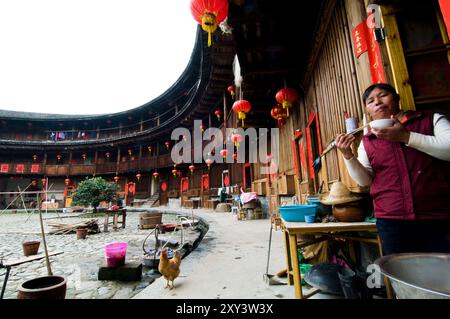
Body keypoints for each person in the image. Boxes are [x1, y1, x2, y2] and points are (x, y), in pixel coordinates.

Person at [335, 83, 450, 255]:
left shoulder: (430, 120)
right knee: (401, 275)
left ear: (396, 98)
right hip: (391, 220)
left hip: (437, 215)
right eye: (371, 101)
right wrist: (348, 156)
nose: (377, 102)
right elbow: (364, 180)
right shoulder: (368, 140)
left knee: (443, 275)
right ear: (368, 111)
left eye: (383, 95)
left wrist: (406, 136)